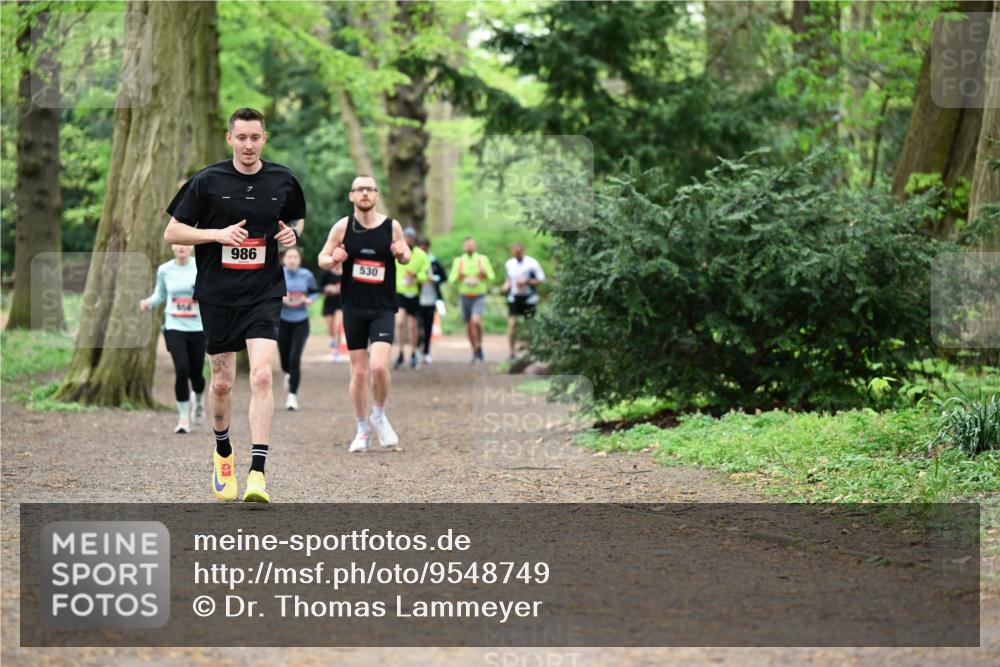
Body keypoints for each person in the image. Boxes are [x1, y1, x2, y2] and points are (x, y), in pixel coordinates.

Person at [163, 107, 305, 504]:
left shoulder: (283, 179)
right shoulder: (207, 181)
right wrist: (217, 234)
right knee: (223, 383)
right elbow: (171, 231)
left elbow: (295, 221)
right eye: (240, 137)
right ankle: (223, 451)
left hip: (263, 292)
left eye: (254, 137)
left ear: (264, 138)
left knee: (261, 376)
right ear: (230, 139)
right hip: (218, 295)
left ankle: (258, 472)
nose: (248, 144)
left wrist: (291, 235)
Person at [318, 175, 410, 453]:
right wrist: (334, 259)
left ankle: (379, 415)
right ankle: (361, 429)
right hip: (353, 307)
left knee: (379, 367)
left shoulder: (391, 226)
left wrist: (401, 252)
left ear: (377, 195)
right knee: (358, 373)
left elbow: (405, 255)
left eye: (370, 189)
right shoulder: (343, 227)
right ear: (352, 196)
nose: (365, 193)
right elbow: (322, 259)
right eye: (360, 189)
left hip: (383, 307)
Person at [140, 243, 206, 434]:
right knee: (182, 369)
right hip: (174, 327)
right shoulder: (165, 269)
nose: (181, 247)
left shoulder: (200, 266)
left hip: (198, 328)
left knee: (197, 375)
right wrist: (148, 303)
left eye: (186, 243)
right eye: (178, 243)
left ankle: (199, 400)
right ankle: (184, 419)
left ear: (192, 246)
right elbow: (160, 294)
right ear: (172, 246)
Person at [278, 246, 318, 411]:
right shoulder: (279, 274)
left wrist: (310, 300)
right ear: (284, 260)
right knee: (285, 361)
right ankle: (288, 373)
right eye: (290, 257)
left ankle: (292, 396)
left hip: (301, 321)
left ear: (299, 260)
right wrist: (281, 298)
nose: (293, 260)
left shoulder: (307, 275)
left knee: (295, 359)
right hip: (282, 321)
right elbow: (270, 293)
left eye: (295, 257)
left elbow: (315, 292)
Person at [448, 236, 494, 363]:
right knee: (468, 326)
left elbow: (491, 276)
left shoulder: (482, 259)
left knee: (476, 321)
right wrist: (462, 277)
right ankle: (475, 350)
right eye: (467, 245)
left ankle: (479, 345)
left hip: (479, 296)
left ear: (475, 246)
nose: (469, 247)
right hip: (464, 296)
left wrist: (482, 274)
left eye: (471, 244)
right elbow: (451, 279)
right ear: (464, 246)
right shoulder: (459, 261)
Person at [502, 242, 546, 360]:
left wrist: (527, 281)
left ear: (523, 251)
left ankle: (531, 352)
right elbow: (508, 279)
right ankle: (511, 352)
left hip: (529, 298)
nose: (516, 254)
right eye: (514, 252)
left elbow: (541, 279)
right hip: (514, 297)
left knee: (530, 325)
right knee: (512, 324)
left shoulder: (532, 263)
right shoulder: (509, 264)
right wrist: (506, 286)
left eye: (518, 252)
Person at [393, 227, 429, 370]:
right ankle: (400, 352)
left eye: (410, 237)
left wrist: (415, 277)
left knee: (413, 326)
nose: (408, 239)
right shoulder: (396, 251)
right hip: (399, 292)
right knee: (400, 322)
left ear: (414, 239)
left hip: (414, 293)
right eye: (406, 236)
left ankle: (413, 353)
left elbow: (425, 274)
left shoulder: (421, 255)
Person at [416, 236, 446, 365]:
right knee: (417, 325)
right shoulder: (415, 261)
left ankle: (426, 351)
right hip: (417, 297)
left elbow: (444, 277)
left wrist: (435, 279)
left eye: (424, 246)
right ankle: (417, 347)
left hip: (431, 298)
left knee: (428, 326)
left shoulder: (434, 262)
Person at [319, 264, 344, 362]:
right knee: (330, 329)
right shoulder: (326, 271)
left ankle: (336, 350)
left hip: (341, 303)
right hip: (329, 303)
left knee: (337, 326)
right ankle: (332, 341)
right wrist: (327, 288)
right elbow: (319, 287)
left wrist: (340, 289)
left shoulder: (347, 270)